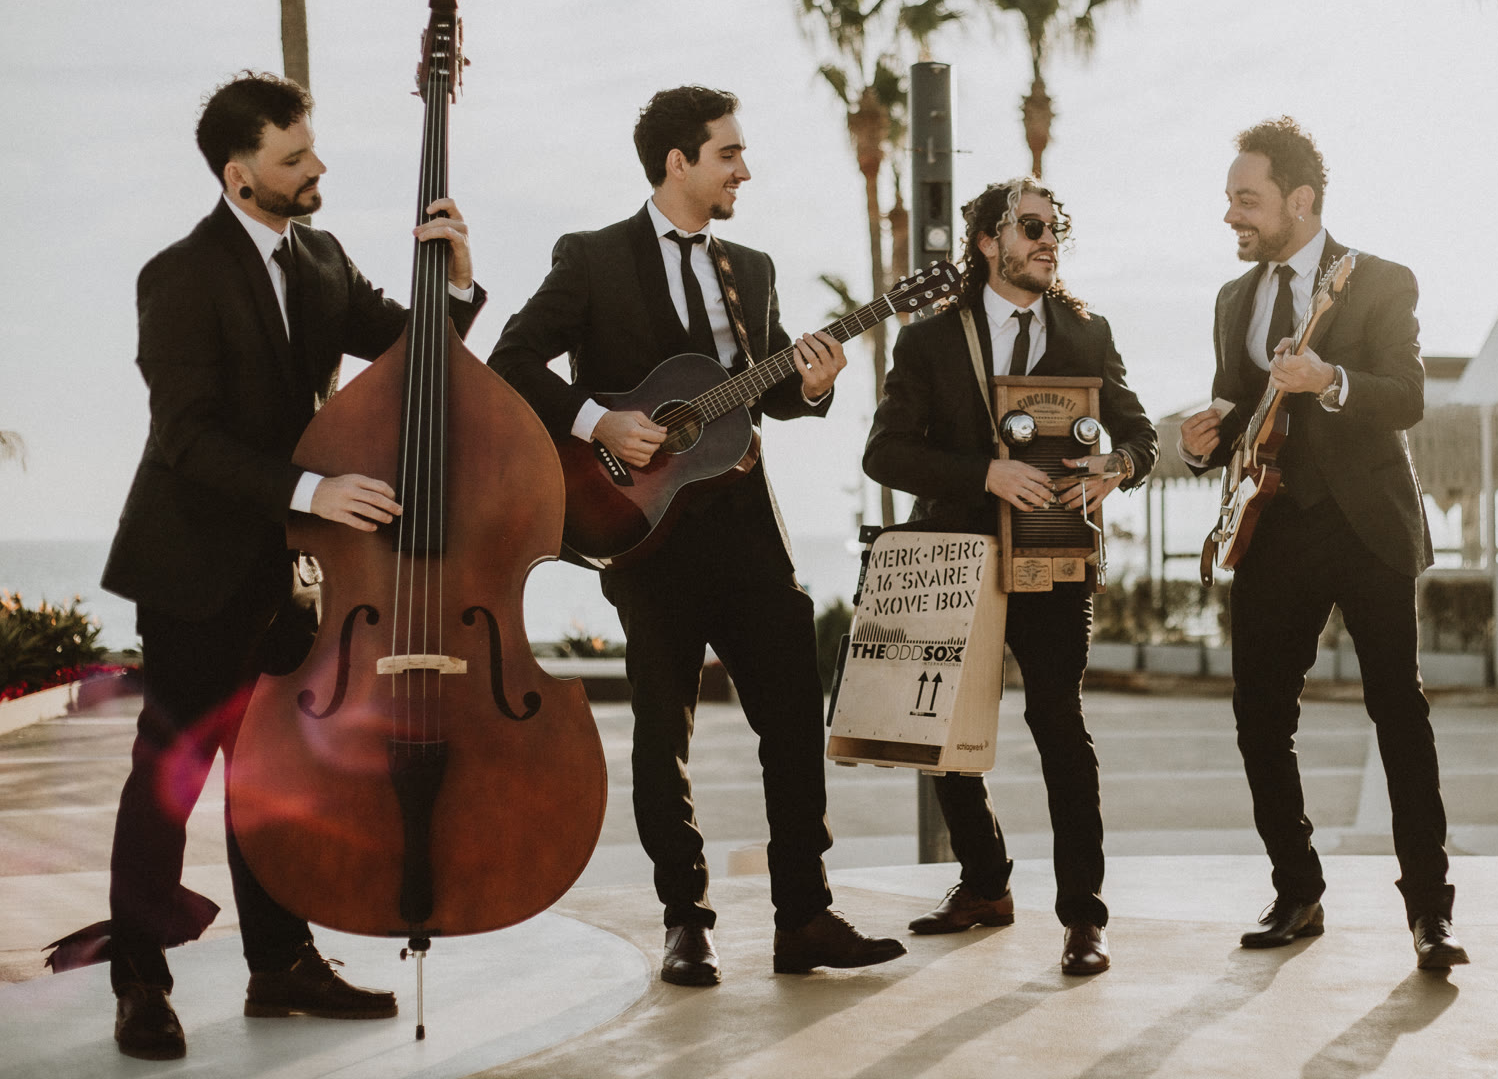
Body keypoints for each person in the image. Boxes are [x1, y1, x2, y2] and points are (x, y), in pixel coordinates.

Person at [96, 71, 481, 1060]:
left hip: (291, 577)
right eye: (294, 157)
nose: (318, 168)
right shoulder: (178, 274)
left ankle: (280, 963)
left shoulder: (323, 259)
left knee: (271, 781)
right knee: (168, 780)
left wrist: (459, 279)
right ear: (240, 174)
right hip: (192, 569)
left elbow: (413, 350)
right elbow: (186, 437)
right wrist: (312, 493)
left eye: (313, 149)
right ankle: (141, 976)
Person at [488, 85, 903, 985]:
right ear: (678, 162)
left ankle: (805, 915)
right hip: (640, 533)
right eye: (729, 154)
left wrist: (817, 383)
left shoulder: (748, 269)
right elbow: (512, 360)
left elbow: (772, 393)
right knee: (660, 731)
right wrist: (598, 420)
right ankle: (687, 919)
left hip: (751, 532)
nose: (743, 170)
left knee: (793, 719)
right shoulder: (592, 258)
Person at [1178, 117, 1466, 971]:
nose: (1232, 215)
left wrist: (1328, 380)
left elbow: (1408, 395)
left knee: (1399, 715)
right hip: (1271, 528)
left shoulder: (1378, 280)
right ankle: (1296, 888)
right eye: (1231, 199)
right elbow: (1241, 413)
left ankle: (1430, 913)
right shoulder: (1235, 300)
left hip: (1367, 523)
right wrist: (1206, 442)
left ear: (1300, 201)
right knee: (1259, 719)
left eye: (1247, 199)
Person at [864, 177, 1157, 977]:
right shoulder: (930, 340)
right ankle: (985, 883)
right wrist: (986, 474)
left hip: (1055, 555)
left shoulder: (1087, 333)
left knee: (1060, 727)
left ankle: (1084, 919)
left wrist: (1115, 467)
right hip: (954, 557)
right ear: (988, 241)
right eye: (1031, 225)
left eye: (1056, 224)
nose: (1047, 238)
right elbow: (884, 453)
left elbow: (1139, 437)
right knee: (942, 734)